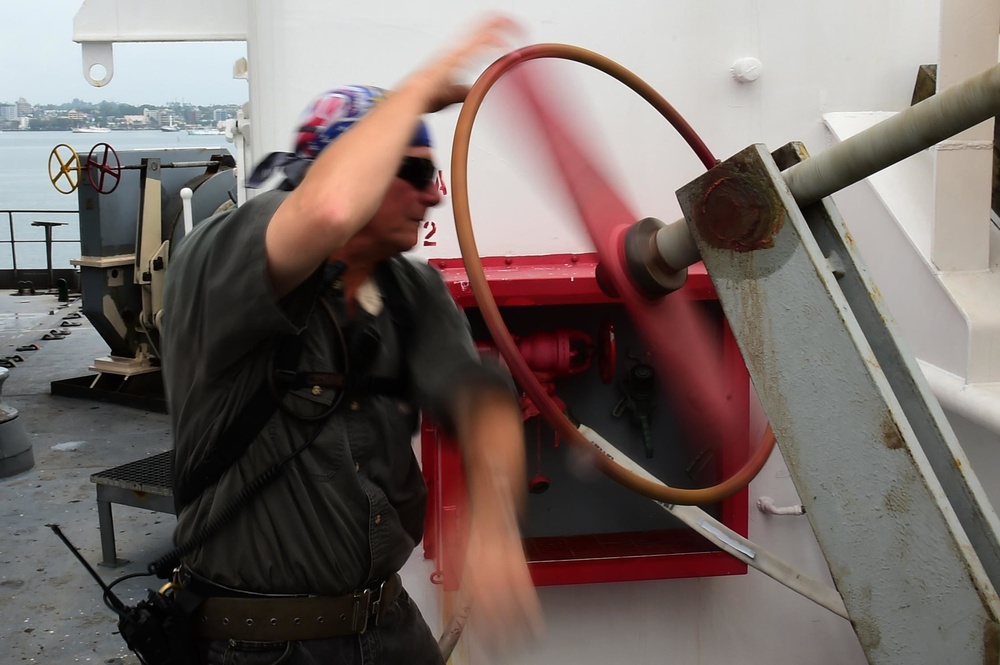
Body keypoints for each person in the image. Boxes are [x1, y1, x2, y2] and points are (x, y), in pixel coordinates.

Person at [160, 16, 541, 665]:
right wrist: (417, 88)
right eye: (412, 171)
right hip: (257, 646)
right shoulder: (217, 259)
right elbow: (330, 210)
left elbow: (480, 402)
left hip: (389, 628)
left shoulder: (408, 290)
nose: (433, 195)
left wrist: (494, 522)